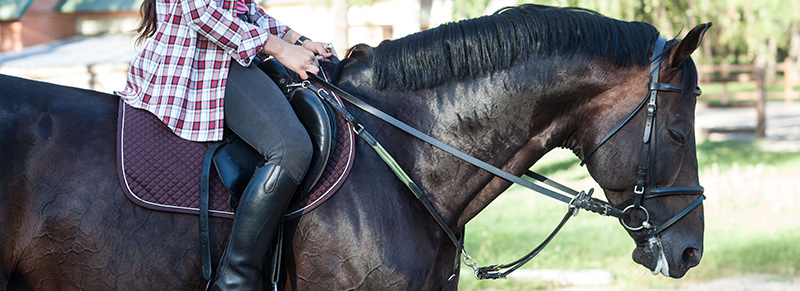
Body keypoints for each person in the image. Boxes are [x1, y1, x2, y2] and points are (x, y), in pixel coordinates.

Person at [115, 0, 337, 289]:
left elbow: (244, 10)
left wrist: (300, 41)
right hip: (199, 66)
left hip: (232, 55)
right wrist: (282, 50)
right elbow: (200, 13)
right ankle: (234, 280)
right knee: (291, 149)